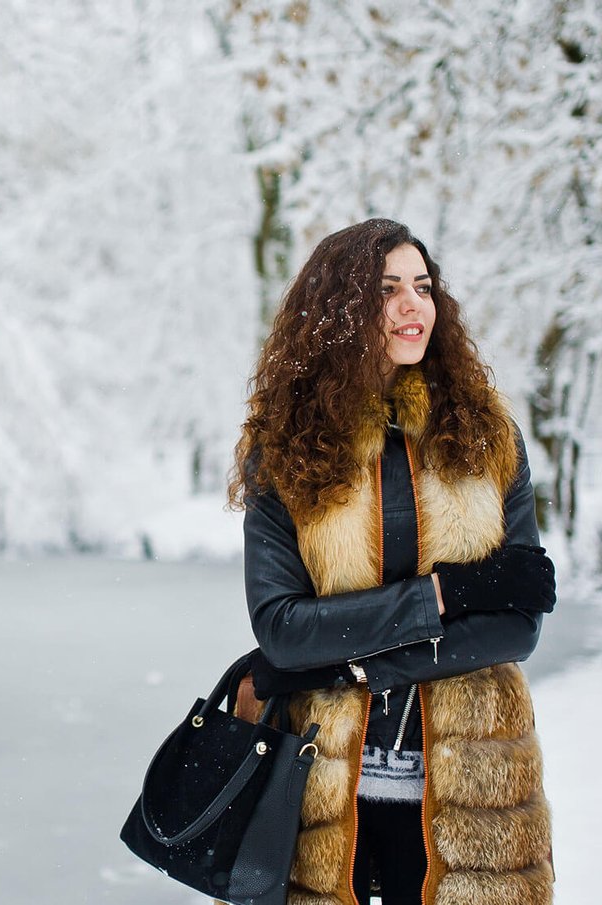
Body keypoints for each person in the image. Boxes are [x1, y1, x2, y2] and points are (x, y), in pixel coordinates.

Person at [226, 219, 556, 905]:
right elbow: (284, 629)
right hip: (320, 790)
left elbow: (517, 624)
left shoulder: (488, 434)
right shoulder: (286, 448)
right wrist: (447, 596)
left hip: (470, 791)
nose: (414, 305)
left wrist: (354, 662)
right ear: (338, 311)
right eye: (387, 289)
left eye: (424, 287)